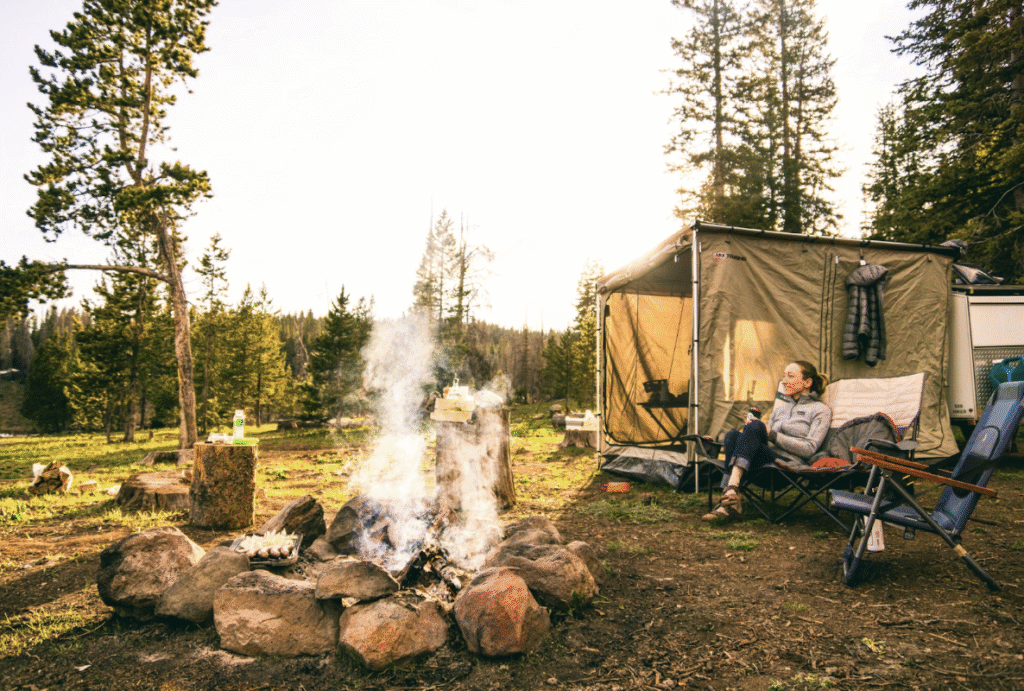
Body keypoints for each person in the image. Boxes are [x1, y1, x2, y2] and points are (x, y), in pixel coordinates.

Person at [702, 361, 832, 521]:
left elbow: (810, 448)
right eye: (784, 376)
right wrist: (751, 433)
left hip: (786, 468)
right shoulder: (780, 410)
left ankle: (729, 493)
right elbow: (764, 440)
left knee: (756, 426)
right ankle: (731, 496)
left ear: (808, 382)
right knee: (732, 435)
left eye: (790, 376)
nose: (784, 381)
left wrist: (771, 434)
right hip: (762, 465)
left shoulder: (821, 410)